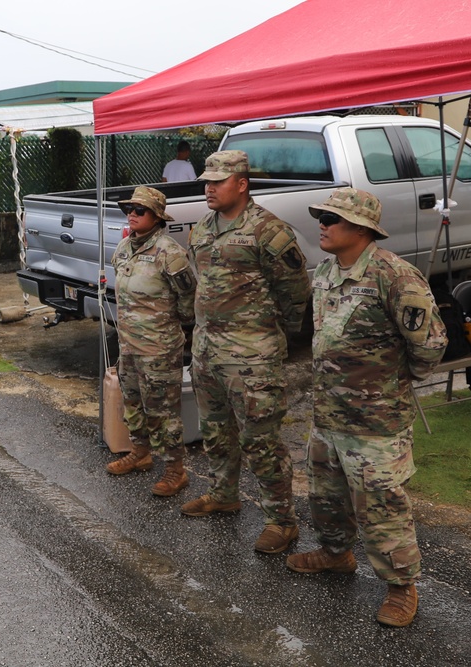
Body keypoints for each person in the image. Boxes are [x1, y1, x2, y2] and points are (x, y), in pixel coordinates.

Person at [285, 187, 446, 628]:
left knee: (380, 505)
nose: (322, 223)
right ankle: (336, 554)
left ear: (360, 228)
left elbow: (430, 345)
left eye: (331, 218)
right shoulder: (325, 272)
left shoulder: (395, 276)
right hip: (328, 415)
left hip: (376, 422)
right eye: (321, 215)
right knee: (326, 496)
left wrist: (394, 382)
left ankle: (400, 586)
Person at [181, 150, 310, 556]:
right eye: (207, 181)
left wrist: (269, 337)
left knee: (261, 440)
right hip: (206, 351)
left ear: (242, 183)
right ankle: (223, 493)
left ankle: (281, 521)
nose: (209, 188)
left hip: (252, 357)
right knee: (216, 430)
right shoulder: (201, 228)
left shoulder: (269, 231)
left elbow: (295, 293)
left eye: (218, 181)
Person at [105, 186, 196, 497]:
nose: (132, 213)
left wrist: (170, 329)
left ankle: (175, 470)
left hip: (158, 348)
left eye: (139, 210)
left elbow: (188, 300)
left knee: (164, 413)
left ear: (157, 218)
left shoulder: (170, 253)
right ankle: (140, 453)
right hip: (128, 345)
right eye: (128, 208)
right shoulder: (123, 248)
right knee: (133, 403)